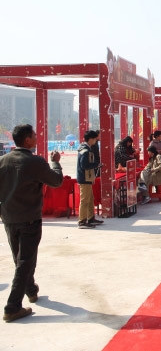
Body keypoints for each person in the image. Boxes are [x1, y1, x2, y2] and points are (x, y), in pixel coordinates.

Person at [0, 124, 64, 322]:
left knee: (20, 258)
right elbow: (56, 181)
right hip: (29, 218)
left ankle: (31, 289)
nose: (37, 137)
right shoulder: (34, 162)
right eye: (34, 135)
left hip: (9, 217)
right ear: (27, 140)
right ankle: (12, 306)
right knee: (25, 261)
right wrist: (55, 163)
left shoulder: (3, 161)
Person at [77, 130, 103, 229]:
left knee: (90, 199)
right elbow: (84, 165)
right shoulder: (85, 151)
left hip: (87, 177)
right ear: (91, 139)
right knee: (84, 200)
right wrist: (96, 165)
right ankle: (82, 221)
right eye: (95, 139)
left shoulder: (86, 148)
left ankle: (91, 218)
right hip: (85, 178)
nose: (96, 141)